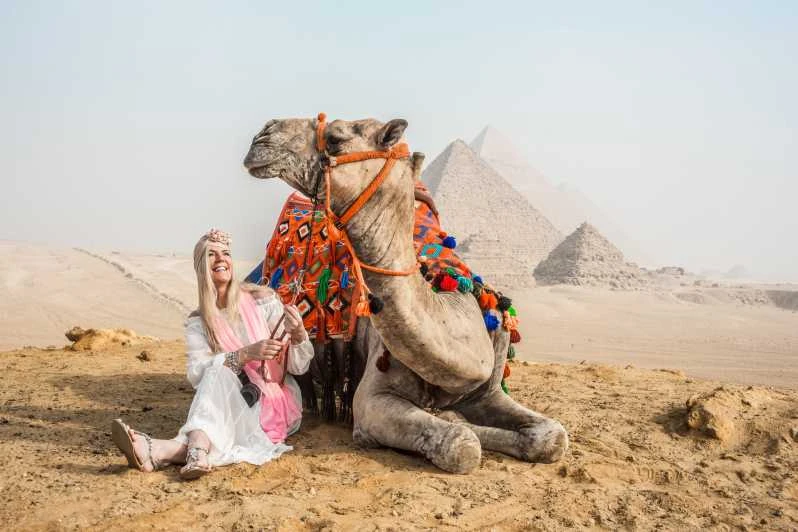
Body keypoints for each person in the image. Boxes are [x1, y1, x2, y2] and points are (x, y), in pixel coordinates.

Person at [111, 228, 313, 480]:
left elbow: (298, 367)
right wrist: (244, 354)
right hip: (229, 397)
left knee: (218, 370)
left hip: (270, 401)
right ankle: (175, 451)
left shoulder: (264, 300)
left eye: (226, 253)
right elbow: (197, 374)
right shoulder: (199, 322)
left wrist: (298, 335)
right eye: (211, 255)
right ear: (201, 266)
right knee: (218, 370)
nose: (220, 259)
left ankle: (174, 448)